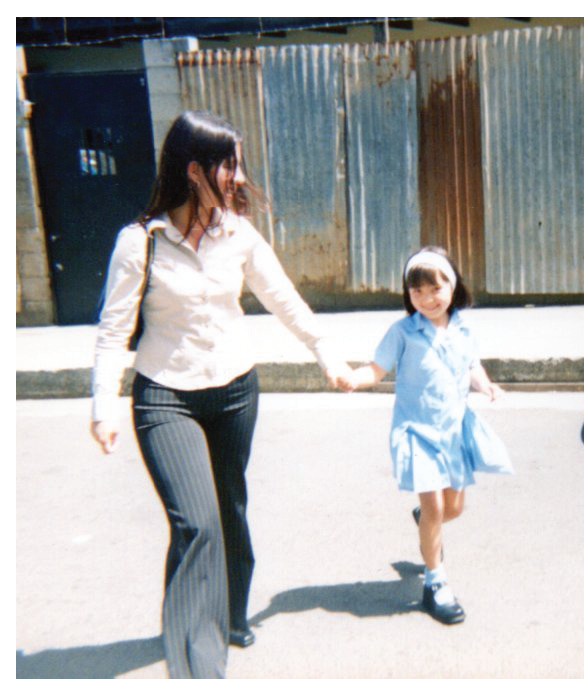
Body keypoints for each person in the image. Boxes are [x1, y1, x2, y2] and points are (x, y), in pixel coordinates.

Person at [91, 110, 351, 678]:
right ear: (194, 169)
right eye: (227, 164)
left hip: (235, 389)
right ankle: (197, 669)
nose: (237, 175)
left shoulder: (238, 234)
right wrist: (103, 405)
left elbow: (285, 299)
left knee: (227, 507)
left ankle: (230, 612)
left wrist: (327, 354)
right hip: (167, 397)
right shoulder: (141, 243)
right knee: (196, 522)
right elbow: (113, 331)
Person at [339, 247, 508, 625]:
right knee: (435, 509)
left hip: (454, 431)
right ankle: (436, 582)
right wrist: (354, 379)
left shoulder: (464, 328)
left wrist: (486, 385)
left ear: (453, 285)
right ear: (408, 295)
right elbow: (376, 369)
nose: (427, 299)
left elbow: (472, 367)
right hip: (416, 432)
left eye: (435, 288)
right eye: (417, 292)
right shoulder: (402, 332)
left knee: (453, 509)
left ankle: (425, 520)